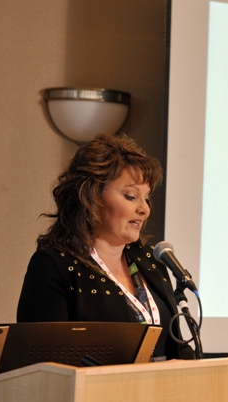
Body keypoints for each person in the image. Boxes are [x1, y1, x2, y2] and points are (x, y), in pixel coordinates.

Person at [17, 133, 194, 360]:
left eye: (146, 198)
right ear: (92, 197)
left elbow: (175, 347)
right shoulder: (54, 266)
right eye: (131, 196)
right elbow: (42, 364)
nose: (145, 209)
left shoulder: (150, 262)